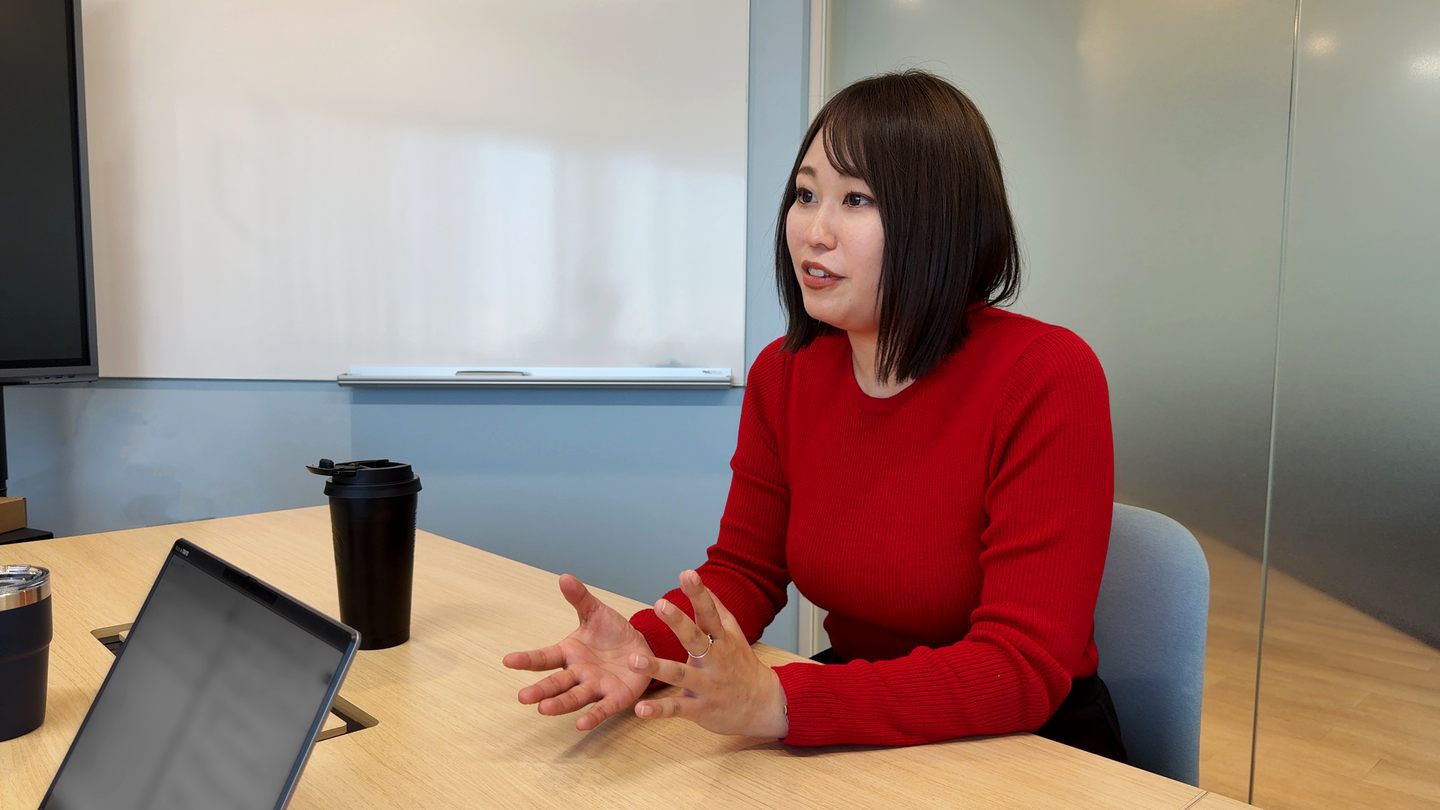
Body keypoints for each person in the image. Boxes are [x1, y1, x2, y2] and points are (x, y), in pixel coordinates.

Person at [502, 70, 1125, 760]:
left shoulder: (1045, 374)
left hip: (1029, 742)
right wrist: (643, 648)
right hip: (860, 707)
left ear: (940, 222)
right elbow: (746, 572)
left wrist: (780, 702)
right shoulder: (786, 371)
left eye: (856, 199)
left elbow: (1021, 666)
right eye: (805, 195)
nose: (813, 232)